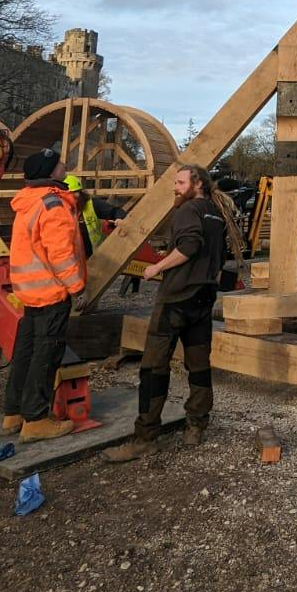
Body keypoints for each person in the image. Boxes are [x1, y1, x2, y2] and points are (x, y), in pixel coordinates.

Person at [103, 163, 227, 461]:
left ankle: (145, 437)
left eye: (180, 181)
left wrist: (157, 266)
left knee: (153, 367)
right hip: (203, 298)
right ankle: (196, 426)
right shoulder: (217, 213)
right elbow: (218, 256)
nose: (175, 186)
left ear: (197, 183)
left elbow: (189, 246)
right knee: (198, 365)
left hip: (176, 300)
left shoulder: (187, 211)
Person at [0, 147, 87, 441]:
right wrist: (77, 287)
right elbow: (60, 253)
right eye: (59, 163)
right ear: (51, 173)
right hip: (51, 291)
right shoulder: (53, 205)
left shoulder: (28, 202)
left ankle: (13, 412)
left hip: (29, 291)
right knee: (46, 354)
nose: (64, 165)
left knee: (25, 351)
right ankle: (36, 418)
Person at [63, 173, 127, 258]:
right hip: (71, 259)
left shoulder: (92, 204)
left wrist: (120, 218)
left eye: (75, 193)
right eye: (68, 195)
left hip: (95, 258)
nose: (72, 198)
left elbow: (115, 211)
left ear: (81, 193)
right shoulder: (57, 210)